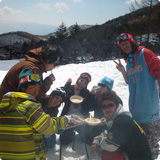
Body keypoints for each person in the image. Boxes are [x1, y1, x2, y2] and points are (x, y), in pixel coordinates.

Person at [0, 68, 77, 160]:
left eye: (38, 88)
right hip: (27, 155)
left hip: (7, 155)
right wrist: (65, 119)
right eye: (33, 87)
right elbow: (48, 126)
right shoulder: (30, 106)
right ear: (23, 87)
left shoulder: (5, 105)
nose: (36, 91)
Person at [114, 33, 160, 159]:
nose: (124, 46)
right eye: (121, 45)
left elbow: (158, 69)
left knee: (151, 149)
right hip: (136, 112)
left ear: (132, 42)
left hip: (150, 112)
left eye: (126, 43)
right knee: (139, 148)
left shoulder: (145, 53)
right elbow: (130, 81)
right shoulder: (129, 60)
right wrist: (123, 71)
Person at [91, 91, 152, 160]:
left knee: (108, 153)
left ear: (117, 106)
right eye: (104, 106)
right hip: (136, 155)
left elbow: (109, 146)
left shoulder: (121, 121)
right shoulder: (118, 118)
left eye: (110, 105)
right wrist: (98, 139)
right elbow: (110, 132)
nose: (107, 109)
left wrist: (99, 141)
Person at [82, 76, 123, 145]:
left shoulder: (116, 100)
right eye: (99, 85)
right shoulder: (97, 97)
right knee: (86, 138)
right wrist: (91, 94)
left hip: (110, 127)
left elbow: (120, 117)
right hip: (97, 124)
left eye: (103, 85)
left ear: (109, 88)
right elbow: (84, 108)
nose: (100, 87)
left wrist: (107, 121)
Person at [60, 72, 93, 144]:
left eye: (85, 83)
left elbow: (89, 108)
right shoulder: (71, 88)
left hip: (81, 118)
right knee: (64, 141)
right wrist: (67, 85)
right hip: (68, 117)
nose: (82, 83)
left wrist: (86, 100)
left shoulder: (87, 93)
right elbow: (63, 96)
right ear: (78, 80)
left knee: (87, 139)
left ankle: (78, 130)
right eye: (81, 80)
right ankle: (70, 131)